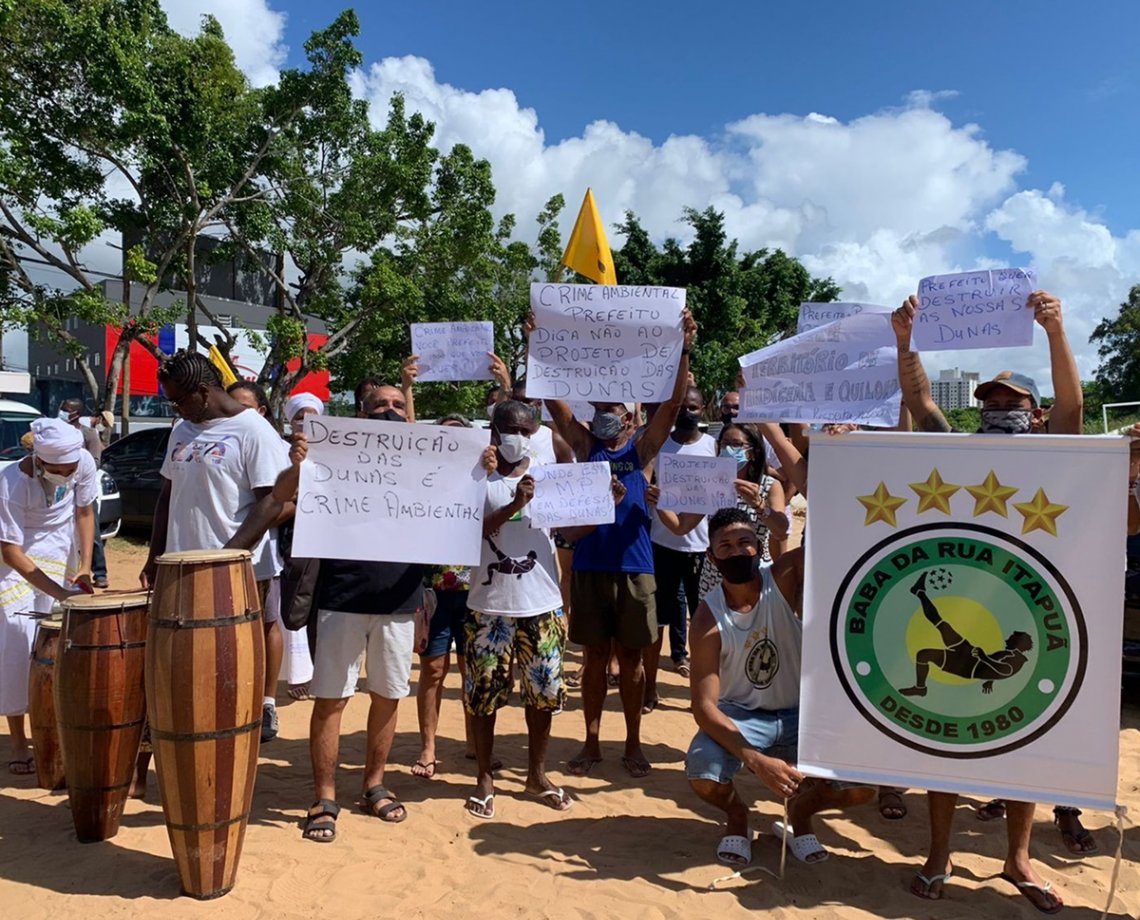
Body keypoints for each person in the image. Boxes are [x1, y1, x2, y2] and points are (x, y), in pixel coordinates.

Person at [893, 289, 1081, 911]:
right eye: (991, 401)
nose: (999, 407)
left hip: (1028, 612)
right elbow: (921, 402)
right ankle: (940, 854)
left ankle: (1018, 858)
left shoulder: (1052, 449)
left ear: (1035, 409)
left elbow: (1075, 410)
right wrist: (905, 341)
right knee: (949, 740)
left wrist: (1055, 332)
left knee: (1022, 744)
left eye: (1012, 401)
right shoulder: (957, 450)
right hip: (967, 606)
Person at [284, 385, 487, 842]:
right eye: (382, 405)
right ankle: (324, 796)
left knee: (389, 695)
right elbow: (287, 497)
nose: (391, 412)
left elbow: (461, 502)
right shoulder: (328, 458)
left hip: (400, 601)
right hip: (341, 598)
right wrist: (299, 465)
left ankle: (374, 785)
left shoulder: (425, 468)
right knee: (332, 699)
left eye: (399, 405)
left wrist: (482, 471)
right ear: (361, 413)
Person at [540, 307, 698, 778]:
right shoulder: (587, 448)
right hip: (590, 566)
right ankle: (590, 743)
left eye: (609, 408)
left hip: (636, 567)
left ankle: (632, 742)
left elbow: (671, 407)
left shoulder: (642, 451)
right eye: (596, 409)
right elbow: (554, 405)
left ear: (629, 416)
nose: (599, 414)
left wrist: (684, 348)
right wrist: (539, 344)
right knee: (592, 660)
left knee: (631, 660)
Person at [687, 507, 873, 866]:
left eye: (745, 542)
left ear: (760, 548)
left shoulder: (784, 578)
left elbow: (830, 539)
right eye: (724, 546)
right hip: (742, 716)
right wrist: (756, 761)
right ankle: (738, 817)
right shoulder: (707, 619)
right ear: (710, 556)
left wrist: (776, 511)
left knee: (862, 787)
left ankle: (800, 815)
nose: (737, 552)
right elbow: (704, 708)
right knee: (702, 771)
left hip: (802, 712)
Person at [138, 354, 290, 785]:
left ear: (204, 392)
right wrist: (154, 555)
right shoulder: (182, 429)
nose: (175, 409)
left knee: (227, 670)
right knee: (179, 667)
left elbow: (272, 500)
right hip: (180, 568)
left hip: (238, 572)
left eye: (179, 400)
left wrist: (227, 557)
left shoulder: (253, 430)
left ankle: (226, 769)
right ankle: (179, 759)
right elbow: (167, 496)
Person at [462, 400, 571, 818]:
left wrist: (604, 507)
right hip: (488, 606)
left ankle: (536, 774)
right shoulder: (475, 474)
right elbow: (467, 534)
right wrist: (513, 505)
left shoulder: (548, 473)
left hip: (541, 603)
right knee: (485, 695)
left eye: (527, 431)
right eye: (511, 429)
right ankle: (485, 778)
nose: (518, 438)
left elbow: (573, 529)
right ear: (493, 429)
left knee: (542, 694)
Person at [1, 419, 96, 774]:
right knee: (16, 640)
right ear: (39, 462)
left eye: (71, 469)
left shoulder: (83, 463)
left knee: (54, 643)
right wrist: (58, 592)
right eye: (59, 470)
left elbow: (84, 512)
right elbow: (10, 551)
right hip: (16, 562)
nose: (67, 475)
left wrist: (85, 565)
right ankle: (16, 739)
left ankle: (53, 731)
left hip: (57, 550)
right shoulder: (10, 484)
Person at [644, 386, 716, 711]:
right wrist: (650, 493)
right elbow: (644, 478)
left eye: (694, 407)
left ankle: (700, 696)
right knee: (656, 620)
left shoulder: (714, 447)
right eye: (683, 406)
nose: (688, 412)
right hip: (662, 545)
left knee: (702, 621)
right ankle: (649, 688)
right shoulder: (660, 444)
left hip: (701, 549)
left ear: (704, 410)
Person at [415, 414, 479, 779]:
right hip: (434, 593)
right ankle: (428, 747)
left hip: (476, 593)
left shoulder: (481, 481)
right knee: (433, 671)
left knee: (472, 671)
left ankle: (475, 742)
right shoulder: (423, 483)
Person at [58, 398, 109, 588]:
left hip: (84, 490)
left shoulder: (89, 435)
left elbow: (95, 462)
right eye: (62, 409)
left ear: (76, 414)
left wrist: (73, 466)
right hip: (61, 489)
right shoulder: (57, 432)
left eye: (66, 410)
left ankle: (100, 572)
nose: (62, 412)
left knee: (90, 531)